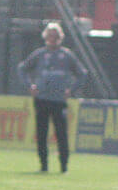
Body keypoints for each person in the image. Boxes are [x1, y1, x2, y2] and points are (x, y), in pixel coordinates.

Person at [17, 21, 86, 173]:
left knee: (61, 134)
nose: (52, 39)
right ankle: (44, 166)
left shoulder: (66, 55)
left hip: (59, 100)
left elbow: (82, 73)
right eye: (50, 36)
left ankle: (63, 166)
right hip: (41, 99)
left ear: (60, 37)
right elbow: (22, 69)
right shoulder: (40, 54)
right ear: (45, 37)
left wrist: (71, 90)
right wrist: (30, 86)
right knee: (41, 134)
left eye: (55, 36)